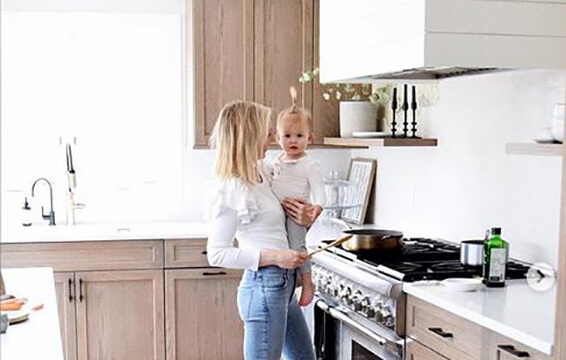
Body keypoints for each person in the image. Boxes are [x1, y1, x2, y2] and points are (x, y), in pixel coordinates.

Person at [207, 100, 318, 360]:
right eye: (266, 132)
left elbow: (277, 229)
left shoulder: (262, 174)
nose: (271, 138)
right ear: (248, 137)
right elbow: (217, 254)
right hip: (264, 286)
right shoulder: (232, 187)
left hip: (283, 285)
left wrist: (305, 217)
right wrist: (277, 257)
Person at [268, 87, 324, 307]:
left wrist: (317, 208)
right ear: (277, 138)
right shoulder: (275, 160)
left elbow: (319, 189)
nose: (293, 141)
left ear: (310, 138)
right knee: (285, 248)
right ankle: (296, 280)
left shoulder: (310, 164)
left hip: (295, 214)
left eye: (300, 136)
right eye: (287, 136)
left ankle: (308, 282)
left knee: (297, 246)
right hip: (277, 212)